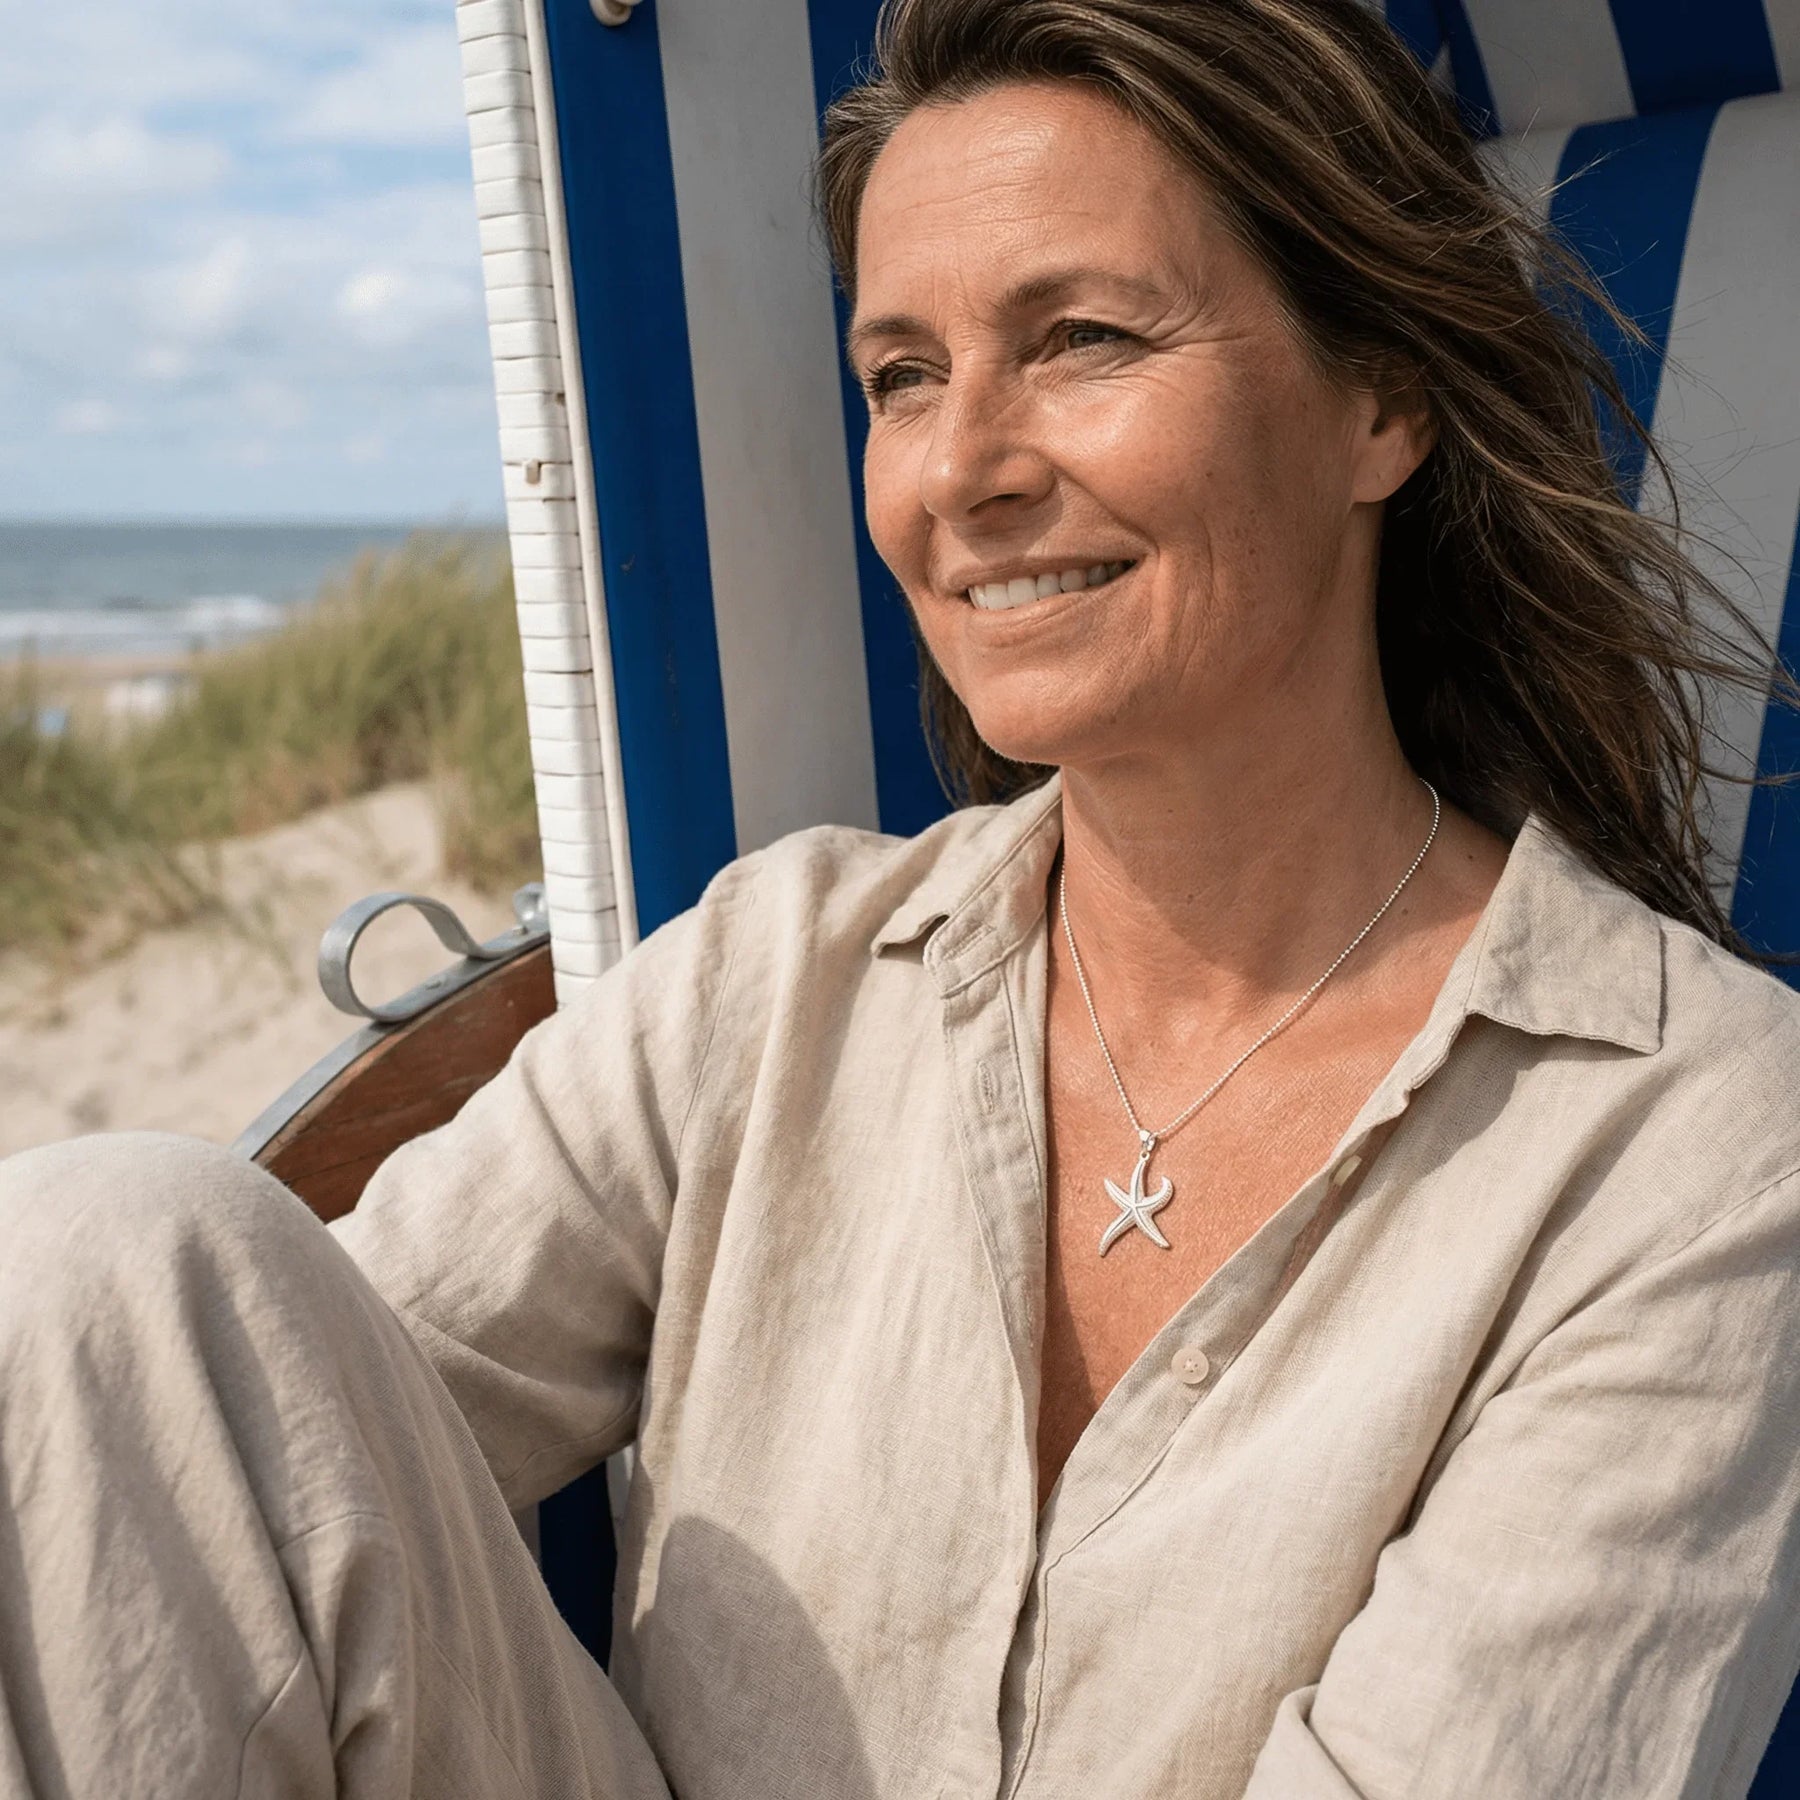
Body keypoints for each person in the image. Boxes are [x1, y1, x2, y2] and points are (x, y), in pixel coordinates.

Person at [5, 0, 1800, 1794]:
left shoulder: (1699, 1141)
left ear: (1380, 401)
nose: (961, 470)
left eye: (1082, 338)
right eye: (903, 377)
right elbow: (227, 1462)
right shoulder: (777, 979)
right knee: (109, 1261)